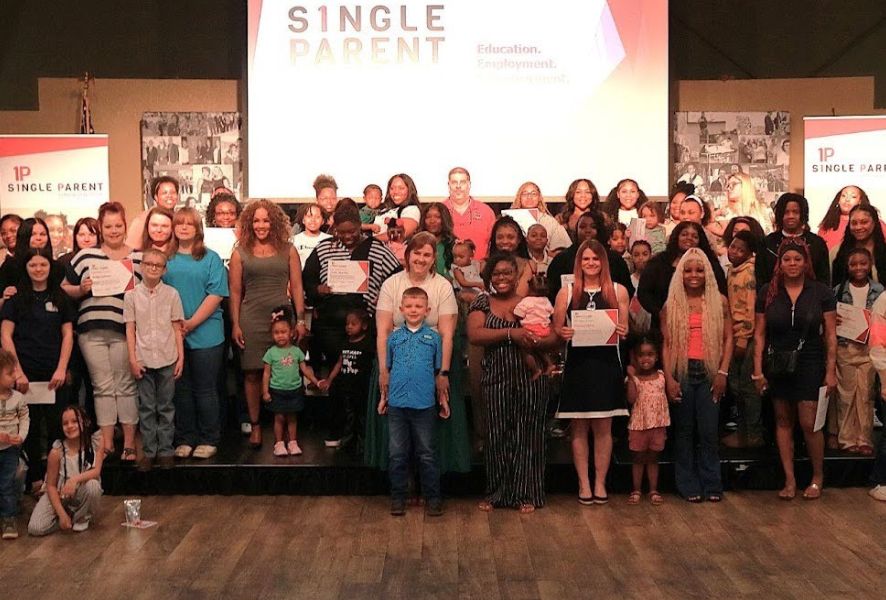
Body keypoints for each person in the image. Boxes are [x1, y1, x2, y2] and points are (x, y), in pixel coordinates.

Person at [369, 233, 468, 472]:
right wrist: (384, 370)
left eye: (427, 255)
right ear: (407, 255)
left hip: (434, 361)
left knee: (430, 432)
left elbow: (447, 334)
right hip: (395, 361)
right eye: (417, 253)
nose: (421, 259)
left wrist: (443, 373)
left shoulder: (442, 286)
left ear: (434, 259)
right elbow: (383, 331)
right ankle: (401, 479)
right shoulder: (391, 284)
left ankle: (432, 477)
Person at [303, 205, 401, 447]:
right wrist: (318, 290)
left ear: (360, 226)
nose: (348, 236)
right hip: (332, 325)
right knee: (338, 377)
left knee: (362, 378)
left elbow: (396, 277)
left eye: (352, 231)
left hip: (366, 325)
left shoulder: (378, 249)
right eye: (342, 231)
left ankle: (364, 432)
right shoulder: (324, 248)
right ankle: (337, 429)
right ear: (335, 228)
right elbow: (308, 279)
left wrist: (383, 298)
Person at [468, 253, 555, 512]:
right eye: (496, 273)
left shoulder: (531, 302)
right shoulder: (482, 302)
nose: (502, 277)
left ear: (517, 276)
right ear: (489, 277)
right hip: (496, 377)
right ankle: (497, 493)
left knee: (529, 435)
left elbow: (550, 336)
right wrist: (511, 333)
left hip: (530, 377)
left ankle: (527, 494)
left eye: (507, 272)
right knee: (496, 435)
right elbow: (475, 334)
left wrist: (540, 339)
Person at [753, 238, 837, 500]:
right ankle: (789, 480)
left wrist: (830, 371)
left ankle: (817, 476)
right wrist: (757, 370)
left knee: (809, 422)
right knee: (782, 420)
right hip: (777, 360)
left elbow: (830, 335)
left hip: (810, 359)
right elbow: (759, 334)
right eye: (787, 259)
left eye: (797, 259)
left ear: (805, 262)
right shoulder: (768, 291)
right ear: (779, 263)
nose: (792, 264)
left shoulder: (821, 292)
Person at [63, 202, 143, 460]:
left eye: (118, 225)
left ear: (125, 225)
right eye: (108, 226)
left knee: (125, 385)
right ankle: (107, 442)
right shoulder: (86, 256)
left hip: (124, 330)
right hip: (90, 331)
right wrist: (81, 289)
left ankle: (129, 442)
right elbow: (63, 287)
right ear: (100, 227)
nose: (114, 230)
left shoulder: (138, 258)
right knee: (102, 386)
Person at [554, 240, 630, 504]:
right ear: (579, 262)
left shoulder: (618, 290)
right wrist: (563, 332)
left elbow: (625, 328)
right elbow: (556, 329)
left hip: (606, 366)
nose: (591, 263)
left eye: (595, 259)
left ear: (603, 262)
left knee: (603, 428)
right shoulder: (566, 291)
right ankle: (583, 484)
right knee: (578, 428)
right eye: (586, 259)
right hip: (578, 366)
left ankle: (600, 483)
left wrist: (622, 330)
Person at [230, 200, 306, 449]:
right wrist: (235, 324)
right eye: (256, 220)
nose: (261, 225)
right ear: (249, 223)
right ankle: (255, 425)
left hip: (282, 318)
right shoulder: (240, 252)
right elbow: (235, 291)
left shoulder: (289, 250)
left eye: (265, 220)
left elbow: (297, 287)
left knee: (285, 370)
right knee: (252, 373)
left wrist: (300, 320)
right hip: (251, 318)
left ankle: (285, 431)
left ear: (274, 222)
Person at [1, 247, 75, 492]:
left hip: (55, 374)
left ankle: (55, 480)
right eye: (33, 265)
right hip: (25, 374)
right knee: (29, 428)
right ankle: (34, 480)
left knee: (56, 426)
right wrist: (18, 372)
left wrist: (62, 369)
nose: (38, 269)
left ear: (50, 267)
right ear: (26, 268)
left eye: (43, 264)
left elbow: (68, 335)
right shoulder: (15, 300)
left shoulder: (60, 297)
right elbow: (6, 335)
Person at [661, 248, 732, 502]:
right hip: (682, 370)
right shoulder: (671, 304)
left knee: (709, 432)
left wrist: (722, 372)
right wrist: (669, 378)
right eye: (688, 270)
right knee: (684, 432)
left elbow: (729, 338)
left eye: (699, 270)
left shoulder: (719, 302)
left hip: (710, 371)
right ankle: (687, 484)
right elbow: (666, 344)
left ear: (707, 273)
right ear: (680, 274)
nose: (694, 275)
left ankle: (712, 484)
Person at [378, 287, 448, 517]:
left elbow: (438, 373)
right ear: (401, 309)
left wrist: (442, 399)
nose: (413, 310)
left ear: (427, 310)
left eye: (418, 306)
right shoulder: (394, 338)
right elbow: (388, 370)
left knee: (427, 453)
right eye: (409, 306)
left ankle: (433, 498)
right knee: (397, 454)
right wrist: (384, 398)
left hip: (424, 405)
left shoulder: (434, 339)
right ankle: (398, 498)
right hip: (397, 405)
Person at [165, 209, 229, 459]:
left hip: (206, 333)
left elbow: (216, 294)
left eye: (189, 224)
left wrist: (191, 323)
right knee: (181, 390)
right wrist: (177, 327)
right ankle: (185, 437)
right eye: (179, 223)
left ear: (198, 229)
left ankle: (209, 437)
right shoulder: (166, 258)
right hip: (173, 335)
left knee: (205, 389)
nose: (183, 228)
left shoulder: (211, 258)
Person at [124, 247, 185, 472]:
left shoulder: (172, 294)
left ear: (164, 270)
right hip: (143, 359)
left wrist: (180, 358)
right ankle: (149, 451)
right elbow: (130, 329)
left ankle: (166, 450)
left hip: (168, 357)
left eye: (158, 265)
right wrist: (133, 359)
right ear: (141, 266)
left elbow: (177, 328)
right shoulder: (131, 296)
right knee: (147, 407)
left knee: (166, 406)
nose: (152, 268)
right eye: (148, 264)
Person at [829, 248, 882, 454]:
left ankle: (864, 439)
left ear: (870, 265)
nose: (858, 268)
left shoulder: (879, 290)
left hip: (869, 348)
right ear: (847, 267)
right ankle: (846, 438)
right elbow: (830, 318)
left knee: (866, 394)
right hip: (845, 348)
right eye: (853, 264)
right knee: (846, 395)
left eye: (863, 263)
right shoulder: (838, 290)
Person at [27, 406, 103, 536]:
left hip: (81, 491)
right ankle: (67, 517)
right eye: (65, 423)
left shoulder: (95, 443)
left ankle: (82, 517)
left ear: (85, 422)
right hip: (59, 493)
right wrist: (61, 514)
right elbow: (51, 485)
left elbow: (96, 471)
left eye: (74, 421)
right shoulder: (57, 451)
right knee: (35, 528)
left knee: (93, 485)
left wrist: (74, 480)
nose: (70, 426)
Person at [637, 221, 727, 329]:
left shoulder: (710, 263)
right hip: (664, 325)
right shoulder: (659, 262)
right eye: (684, 234)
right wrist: (660, 312)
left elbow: (720, 291)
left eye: (694, 236)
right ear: (676, 237)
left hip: (702, 324)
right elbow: (643, 292)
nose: (689, 238)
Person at [722, 231, 765, 448]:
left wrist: (743, 338)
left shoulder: (749, 273)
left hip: (745, 337)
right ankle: (742, 432)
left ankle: (753, 434)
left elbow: (750, 308)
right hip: (733, 332)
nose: (735, 252)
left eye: (741, 250)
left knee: (748, 388)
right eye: (733, 247)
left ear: (749, 253)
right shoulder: (732, 270)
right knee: (736, 386)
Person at [262, 305, 322, 458]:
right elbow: (266, 374)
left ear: (291, 333)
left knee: (292, 417)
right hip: (277, 390)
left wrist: (316, 381)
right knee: (279, 417)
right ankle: (279, 443)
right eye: (276, 333)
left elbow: (305, 369)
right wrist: (265, 391)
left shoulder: (296, 351)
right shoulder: (270, 353)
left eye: (283, 332)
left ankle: (293, 442)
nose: (280, 336)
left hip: (294, 390)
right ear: (271, 335)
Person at [317, 309, 374, 455]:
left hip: (362, 387)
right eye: (347, 324)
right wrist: (329, 379)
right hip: (346, 387)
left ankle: (363, 444)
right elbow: (339, 363)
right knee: (349, 415)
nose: (349, 327)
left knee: (362, 416)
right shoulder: (345, 343)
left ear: (364, 325)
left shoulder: (368, 345)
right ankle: (348, 442)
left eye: (353, 324)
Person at [547, 211, 634, 304]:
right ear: (576, 230)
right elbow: (552, 291)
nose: (587, 230)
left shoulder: (615, 260)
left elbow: (627, 291)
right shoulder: (561, 260)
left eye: (593, 227)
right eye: (582, 227)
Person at [625, 338, 668, 506]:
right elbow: (631, 399)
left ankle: (653, 490)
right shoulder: (634, 379)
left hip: (657, 425)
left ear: (656, 357)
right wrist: (631, 377)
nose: (646, 358)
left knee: (653, 458)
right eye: (641, 355)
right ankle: (636, 489)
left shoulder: (662, 377)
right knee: (638, 458)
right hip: (638, 425)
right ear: (635, 358)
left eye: (650, 354)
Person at [761, 193, 830, 286]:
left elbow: (824, 280)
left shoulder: (817, 243)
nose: (791, 216)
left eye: (795, 212)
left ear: (803, 214)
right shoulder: (767, 243)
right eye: (786, 212)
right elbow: (762, 279)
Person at [0, 349, 28, 539]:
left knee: (7, 483)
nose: (14, 376)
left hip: (10, 450)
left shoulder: (18, 398)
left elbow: (25, 418)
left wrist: (21, 436)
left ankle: (9, 518)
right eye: (9, 373)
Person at [443, 167, 496, 261]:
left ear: (469, 184)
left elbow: (494, 244)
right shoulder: (440, 211)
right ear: (448, 185)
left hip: (480, 268)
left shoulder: (486, 211)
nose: (458, 186)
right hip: (446, 268)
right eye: (454, 182)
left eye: (462, 182)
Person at [831, 204, 886, 286]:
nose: (858, 227)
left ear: (874, 223)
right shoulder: (836, 252)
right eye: (854, 223)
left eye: (864, 222)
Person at [817, 185, 886, 251]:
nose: (847, 199)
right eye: (843, 196)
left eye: (853, 197)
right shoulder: (827, 223)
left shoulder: (876, 223)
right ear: (838, 200)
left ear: (860, 201)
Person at [510, 182, 572, 252]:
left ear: (539, 198)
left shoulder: (549, 221)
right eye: (525, 194)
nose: (529, 197)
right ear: (519, 197)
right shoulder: (510, 220)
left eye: (533, 194)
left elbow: (563, 247)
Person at [513, 276, 556, 379]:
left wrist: (512, 311)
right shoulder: (546, 300)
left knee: (526, 351)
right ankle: (550, 364)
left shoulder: (526, 301)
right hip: (544, 329)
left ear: (530, 288)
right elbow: (552, 312)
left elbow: (518, 314)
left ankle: (535, 370)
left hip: (531, 330)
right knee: (541, 349)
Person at [127, 176, 180, 249]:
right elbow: (131, 249)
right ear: (156, 197)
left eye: (173, 192)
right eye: (164, 193)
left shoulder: (179, 217)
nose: (169, 196)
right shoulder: (142, 219)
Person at [373, 173, 422, 240]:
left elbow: (400, 234)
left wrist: (370, 241)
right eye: (392, 188)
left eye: (401, 188)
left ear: (410, 190)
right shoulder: (384, 209)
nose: (396, 192)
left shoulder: (412, 209)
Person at [418, 202, 456, 276]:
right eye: (428, 217)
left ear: (445, 219)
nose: (432, 221)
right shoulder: (416, 243)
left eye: (437, 217)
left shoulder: (454, 245)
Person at [291, 203, 332, 269]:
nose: (313, 220)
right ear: (303, 220)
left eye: (317, 217)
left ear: (323, 221)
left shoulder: (330, 240)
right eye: (309, 216)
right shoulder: (293, 240)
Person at [628, 240, 653, 336]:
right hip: (632, 331)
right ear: (632, 258)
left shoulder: (657, 281)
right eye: (636, 255)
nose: (641, 258)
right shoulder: (628, 281)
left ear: (651, 256)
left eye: (645, 254)